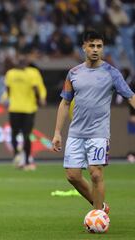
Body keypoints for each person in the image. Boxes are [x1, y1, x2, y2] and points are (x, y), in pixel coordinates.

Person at [52, 30, 135, 214]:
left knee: (96, 173)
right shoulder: (73, 73)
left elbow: (130, 97)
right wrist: (58, 132)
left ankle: (98, 216)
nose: (95, 50)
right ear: (84, 47)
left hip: (99, 132)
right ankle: (100, 207)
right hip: (76, 133)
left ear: (103, 48)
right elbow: (65, 102)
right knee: (72, 176)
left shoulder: (112, 73)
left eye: (99, 46)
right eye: (92, 46)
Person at [3, 54, 47, 170]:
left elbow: (38, 87)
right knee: (20, 134)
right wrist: (40, 99)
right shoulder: (13, 73)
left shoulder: (28, 73)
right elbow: (35, 88)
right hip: (19, 108)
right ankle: (20, 157)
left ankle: (24, 159)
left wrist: (41, 98)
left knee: (22, 134)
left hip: (26, 108)